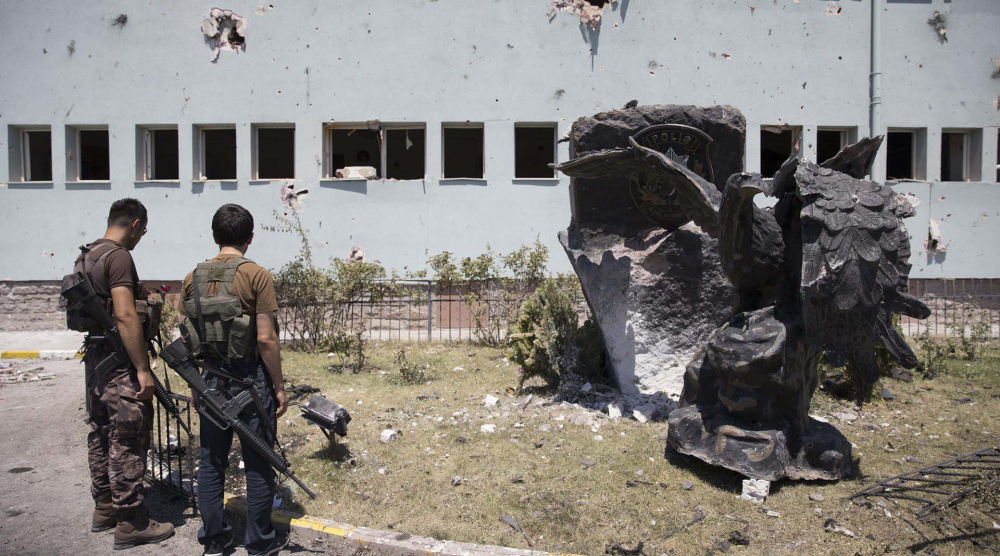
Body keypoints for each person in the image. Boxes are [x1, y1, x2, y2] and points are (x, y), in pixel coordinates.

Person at [180, 204, 289, 556]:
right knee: (259, 460)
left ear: (215, 236)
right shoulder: (256, 275)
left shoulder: (191, 277)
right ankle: (260, 543)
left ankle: (214, 539)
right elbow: (266, 339)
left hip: (209, 381)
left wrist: (194, 386)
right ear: (250, 238)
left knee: (211, 460)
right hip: (249, 380)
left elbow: (187, 338)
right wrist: (279, 386)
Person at [76, 198, 175, 549]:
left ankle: (104, 507)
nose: (141, 237)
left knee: (102, 432)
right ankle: (131, 522)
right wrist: (142, 369)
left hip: (96, 358)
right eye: (143, 231)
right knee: (128, 436)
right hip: (118, 361)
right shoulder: (118, 256)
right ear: (135, 224)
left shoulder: (88, 255)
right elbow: (125, 315)